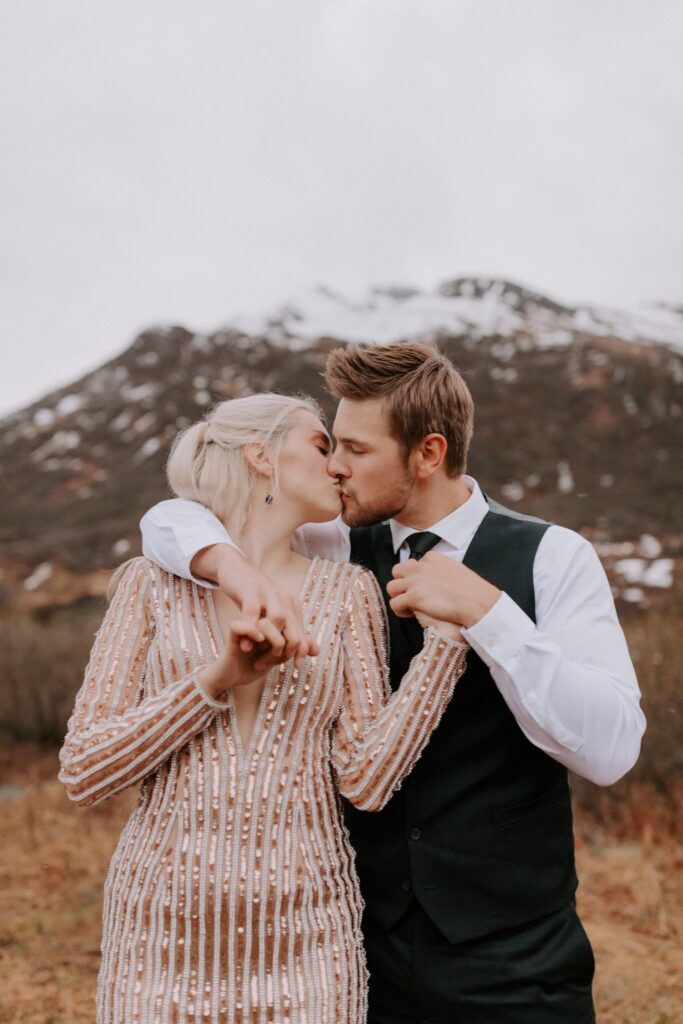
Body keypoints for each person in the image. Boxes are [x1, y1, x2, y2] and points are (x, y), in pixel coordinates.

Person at [140, 341, 646, 1024]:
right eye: (328, 446)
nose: (333, 466)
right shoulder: (337, 546)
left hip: (514, 959)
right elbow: (170, 519)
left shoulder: (554, 557)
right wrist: (229, 567)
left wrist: (487, 614)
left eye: (353, 449)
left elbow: (611, 751)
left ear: (427, 454)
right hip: (358, 952)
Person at [59, 392, 468, 1024]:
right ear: (260, 456)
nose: (338, 467)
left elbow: (365, 780)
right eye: (321, 446)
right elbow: (86, 771)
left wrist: (445, 648)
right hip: (160, 937)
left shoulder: (349, 591)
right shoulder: (150, 584)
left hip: (309, 938)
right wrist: (214, 680)